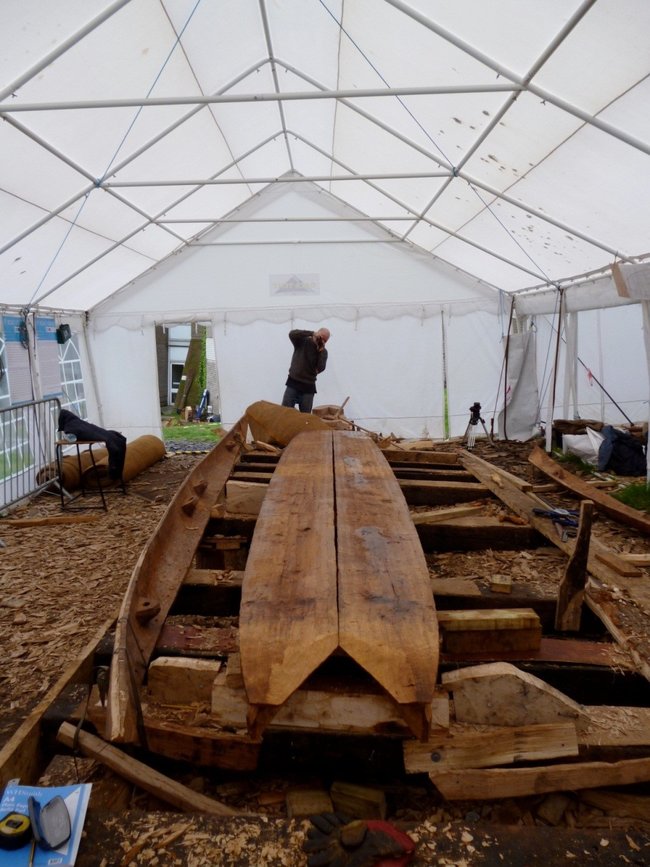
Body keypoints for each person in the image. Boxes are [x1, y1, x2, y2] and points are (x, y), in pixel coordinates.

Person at [281, 327, 330, 413]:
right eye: (321, 337)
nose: (322, 341)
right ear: (317, 333)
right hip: (293, 382)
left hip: (308, 387)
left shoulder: (323, 352)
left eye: (325, 340)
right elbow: (292, 334)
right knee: (284, 412)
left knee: (305, 417)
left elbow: (321, 368)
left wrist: (321, 351)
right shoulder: (302, 341)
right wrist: (311, 333)